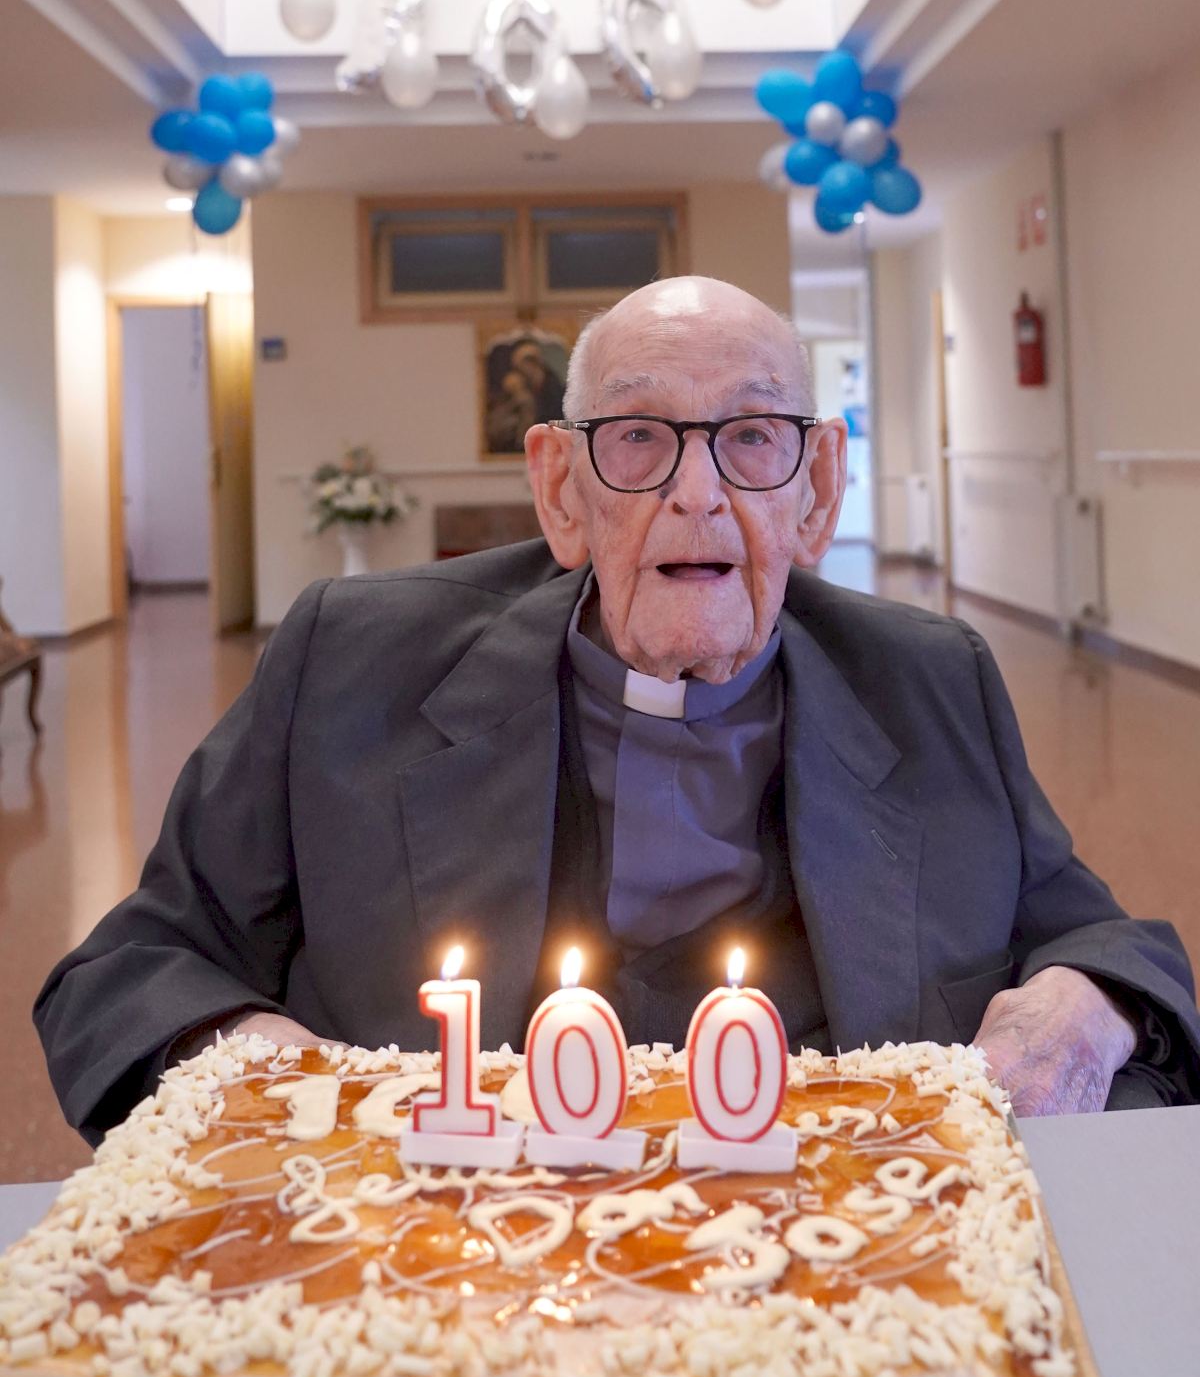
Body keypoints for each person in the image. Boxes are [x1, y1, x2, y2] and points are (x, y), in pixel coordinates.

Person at [36, 278, 1200, 1143]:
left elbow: (1101, 945)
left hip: (834, 1260)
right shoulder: (352, 660)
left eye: (751, 439)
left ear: (816, 491)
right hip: (451, 1263)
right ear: (562, 491)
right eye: (639, 439)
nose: (698, 494)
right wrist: (251, 1064)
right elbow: (135, 966)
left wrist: (1085, 1005)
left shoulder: (929, 678)